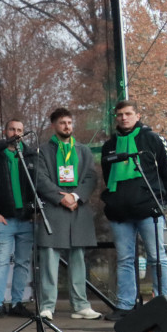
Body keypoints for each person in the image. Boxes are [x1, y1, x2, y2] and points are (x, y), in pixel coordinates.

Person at [100, 100, 167, 321]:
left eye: (128, 113)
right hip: (119, 214)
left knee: (157, 258)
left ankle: (166, 302)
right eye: (119, 114)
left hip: (149, 211)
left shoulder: (153, 139)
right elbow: (107, 175)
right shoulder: (109, 145)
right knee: (125, 259)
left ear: (137, 115)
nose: (123, 118)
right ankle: (125, 305)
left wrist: (163, 202)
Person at [34, 108, 102, 321]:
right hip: (54, 209)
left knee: (78, 259)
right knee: (49, 260)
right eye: (62, 123)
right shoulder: (43, 151)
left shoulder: (83, 150)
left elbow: (91, 177)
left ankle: (81, 305)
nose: (67, 126)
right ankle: (47, 306)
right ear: (53, 125)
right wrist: (60, 197)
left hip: (78, 209)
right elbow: (40, 178)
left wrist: (75, 196)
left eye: (69, 123)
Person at [0, 119, 36, 319]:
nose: (16, 133)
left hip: (27, 219)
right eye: (12, 129)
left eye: (20, 130)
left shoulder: (30, 156)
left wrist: (34, 212)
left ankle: (18, 302)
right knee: (2, 262)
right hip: (4, 218)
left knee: (22, 262)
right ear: (5, 131)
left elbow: (37, 186)